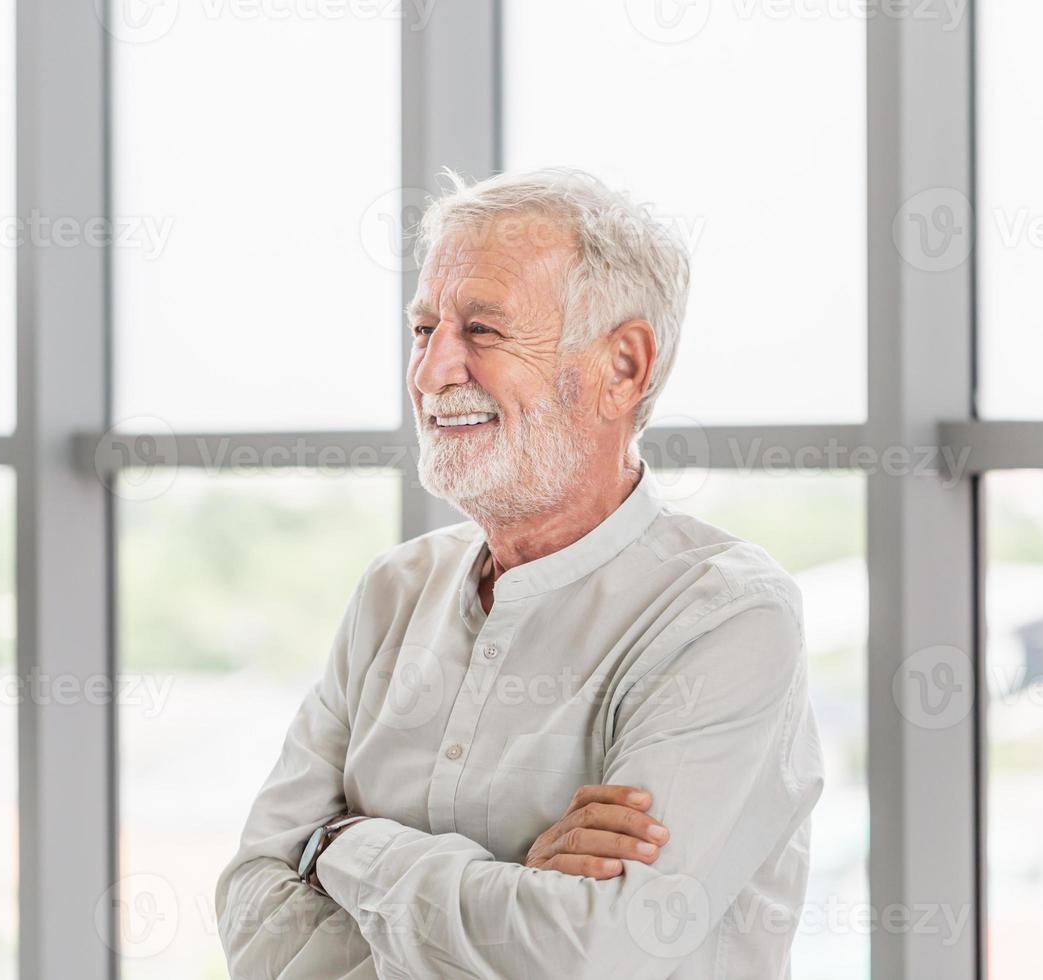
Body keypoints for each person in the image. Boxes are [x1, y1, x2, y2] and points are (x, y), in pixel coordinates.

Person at [216, 168, 824, 978]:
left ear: (623, 367)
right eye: (423, 329)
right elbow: (251, 906)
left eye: (483, 331)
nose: (432, 371)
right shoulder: (392, 594)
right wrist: (510, 893)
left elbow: (586, 955)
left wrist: (342, 845)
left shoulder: (725, 619)